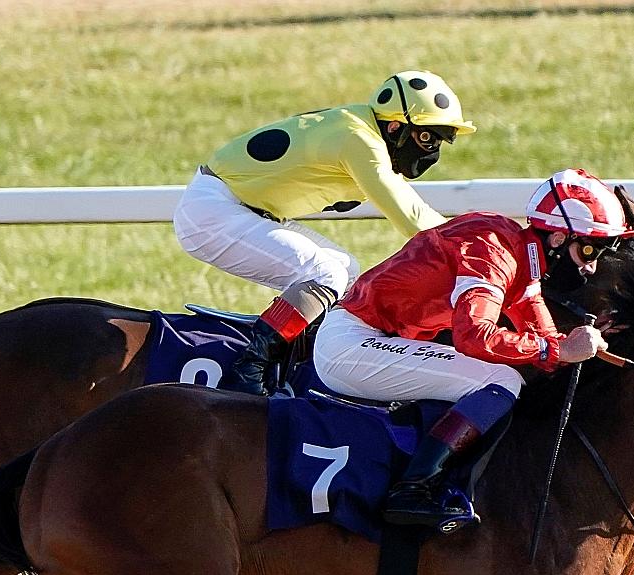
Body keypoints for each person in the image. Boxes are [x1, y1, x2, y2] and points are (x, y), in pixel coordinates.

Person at [309, 168, 634, 530]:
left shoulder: (520, 259)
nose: (591, 268)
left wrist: (577, 344)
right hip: (353, 344)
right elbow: (474, 337)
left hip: (375, 341)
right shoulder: (493, 251)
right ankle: (413, 490)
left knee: (503, 375)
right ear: (558, 238)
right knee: (500, 380)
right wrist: (558, 351)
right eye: (589, 250)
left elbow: (544, 340)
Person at [173, 71, 475, 395]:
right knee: (324, 273)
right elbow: (412, 217)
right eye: (427, 139)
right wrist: (479, 250)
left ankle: (298, 367)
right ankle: (249, 373)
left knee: (346, 270)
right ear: (394, 128)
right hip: (214, 210)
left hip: (233, 206)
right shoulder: (358, 140)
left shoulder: (361, 130)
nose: (432, 153)